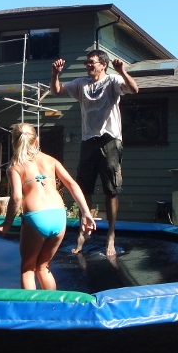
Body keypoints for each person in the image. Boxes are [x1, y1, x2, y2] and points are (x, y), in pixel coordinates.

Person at [50, 49, 139, 258]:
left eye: (92, 62)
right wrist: (55, 74)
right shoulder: (81, 84)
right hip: (88, 141)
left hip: (110, 140)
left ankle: (110, 236)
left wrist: (123, 71)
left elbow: (134, 90)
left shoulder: (113, 81)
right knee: (84, 188)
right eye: (87, 63)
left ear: (103, 65)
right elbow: (56, 91)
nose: (88, 65)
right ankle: (84, 231)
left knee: (111, 190)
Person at [0, 123, 96, 290]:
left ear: (13, 143)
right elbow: (72, 184)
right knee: (44, 266)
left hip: (37, 218)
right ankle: (53, 309)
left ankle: (31, 312)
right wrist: (85, 212)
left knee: (28, 268)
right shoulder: (50, 160)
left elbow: (16, 197)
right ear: (37, 141)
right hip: (58, 216)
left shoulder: (15, 167)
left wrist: (6, 224)